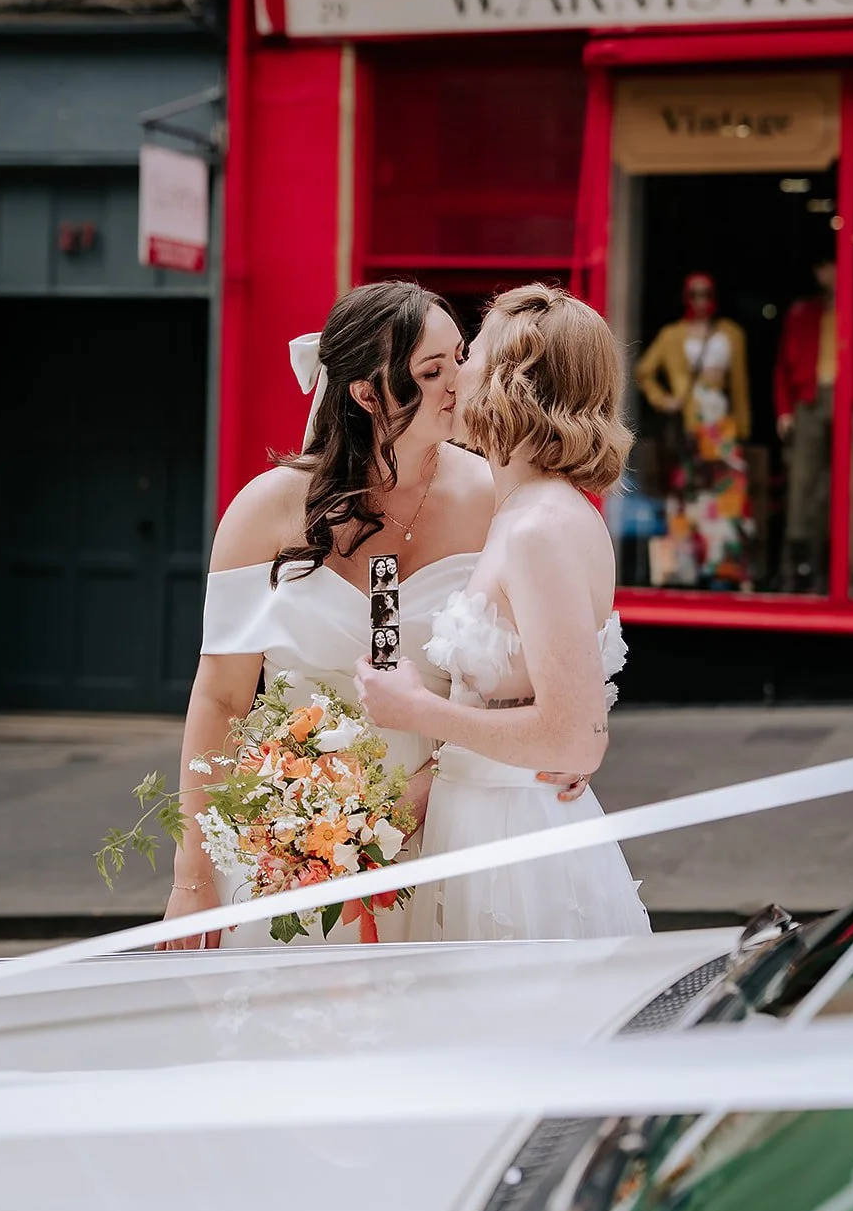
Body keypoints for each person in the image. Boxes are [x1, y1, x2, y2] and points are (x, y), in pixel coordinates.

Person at [161, 279, 586, 950]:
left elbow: (537, 670)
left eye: (460, 357)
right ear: (366, 393)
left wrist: (570, 733)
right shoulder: (265, 510)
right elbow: (219, 696)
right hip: (301, 840)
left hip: (451, 829)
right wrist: (192, 873)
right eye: (430, 370)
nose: (460, 382)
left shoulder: (493, 499)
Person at [357, 283, 652, 943]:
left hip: (514, 846)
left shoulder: (537, 529)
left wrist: (413, 711)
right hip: (482, 820)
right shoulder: (524, 514)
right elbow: (517, 709)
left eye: (470, 356)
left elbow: (576, 739)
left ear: (512, 385)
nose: (451, 374)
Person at [774, 248, 853, 593]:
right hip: (809, 400)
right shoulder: (802, 313)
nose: (830, 274)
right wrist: (784, 409)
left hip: (849, 400)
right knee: (802, 487)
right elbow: (782, 366)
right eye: (824, 266)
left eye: (835, 266)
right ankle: (798, 570)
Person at [635, 273, 754, 590]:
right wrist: (665, 400)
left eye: (706, 294)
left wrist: (742, 425)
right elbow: (644, 370)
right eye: (695, 294)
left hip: (721, 424)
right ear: (687, 297)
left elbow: (739, 382)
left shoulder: (731, 334)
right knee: (689, 496)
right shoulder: (673, 335)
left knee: (727, 495)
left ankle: (724, 568)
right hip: (691, 423)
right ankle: (686, 567)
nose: (701, 301)